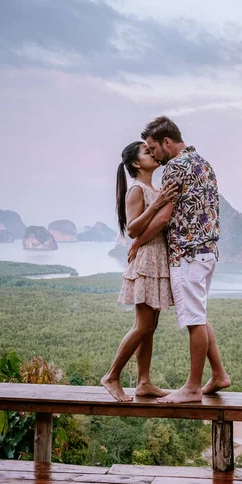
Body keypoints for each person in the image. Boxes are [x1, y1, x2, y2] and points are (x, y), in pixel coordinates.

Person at [128, 116, 230, 404]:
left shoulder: (174, 167)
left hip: (188, 253)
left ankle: (193, 387)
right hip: (207, 251)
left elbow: (163, 217)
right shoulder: (203, 162)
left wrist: (137, 241)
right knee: (199, 313)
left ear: (167, 143)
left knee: (194, 320)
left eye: (153, 148)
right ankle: (219, 374)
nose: (153, 154)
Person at [101, 141, 177, 402]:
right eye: (147, 152)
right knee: (143, 324)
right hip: (146, 261)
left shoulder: (153, 188)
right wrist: (156, 206)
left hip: (156, 258)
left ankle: (144, 382)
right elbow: (132, 228)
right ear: (135, 163)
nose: (153, 154)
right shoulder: (136, 189)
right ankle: (111, 376)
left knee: (150, 326)